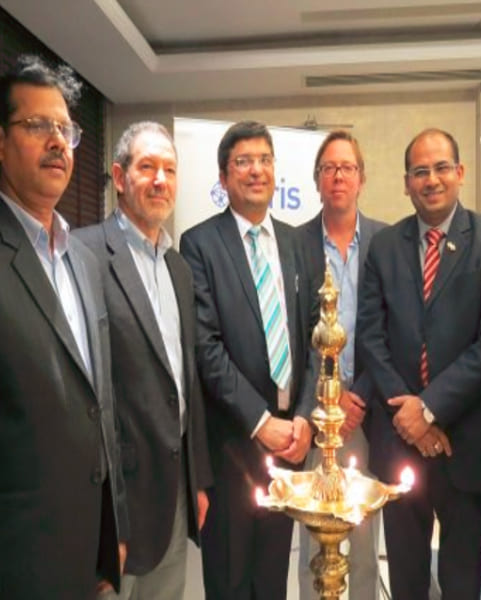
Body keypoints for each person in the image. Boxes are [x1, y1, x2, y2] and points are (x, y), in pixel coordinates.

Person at [0, 55, 127, 598]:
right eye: (38, 126)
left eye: (66, 129)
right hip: (19, 562)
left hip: (89, 551)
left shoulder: (85, 258)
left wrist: (112, 532)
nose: (58, 142)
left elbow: (99, 406)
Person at [355, 128, 481, 599]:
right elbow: (371, 336)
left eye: (441, 167)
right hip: (399, 438)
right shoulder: (384, 246)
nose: (432, 179)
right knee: (405, 578)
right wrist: (410, 418)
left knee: (462, 581)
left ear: (460, 172)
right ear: (406, 182)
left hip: (465, 439)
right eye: (420, 171)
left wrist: (428, 409)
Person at [74, 121, 213, 599]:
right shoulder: (84, 254)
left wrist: (197, 479)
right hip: (116, 500)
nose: (160, 180)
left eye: (169, 170)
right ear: (119, 176)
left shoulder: (178, 267)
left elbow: (186, 379)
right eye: (147, 167)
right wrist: (102, 518)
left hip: (174, 491)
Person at [180, 120, 316, 600]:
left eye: (264, 160)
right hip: (234, 444)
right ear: (223, 177)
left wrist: (303, 417)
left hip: (291, 444)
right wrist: (261, 422)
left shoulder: (297, 243)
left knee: (273, 580)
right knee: (231, 582)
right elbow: (206, 347)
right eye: (243, 162)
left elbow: (314, 339)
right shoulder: (199, 244)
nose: (256, 170)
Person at [296, 131, 385, 600]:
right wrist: (325, 397)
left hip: (366, 409)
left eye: (347, 167)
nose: (338, 176)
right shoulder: (295, 243)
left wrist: (360, 395)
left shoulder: (385, 241)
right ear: (317, 180)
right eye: (328, 168)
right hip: (315, 410)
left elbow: (392, 327)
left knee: (364, 535)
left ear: (361, 178)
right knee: (314, 530)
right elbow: (295, 332)